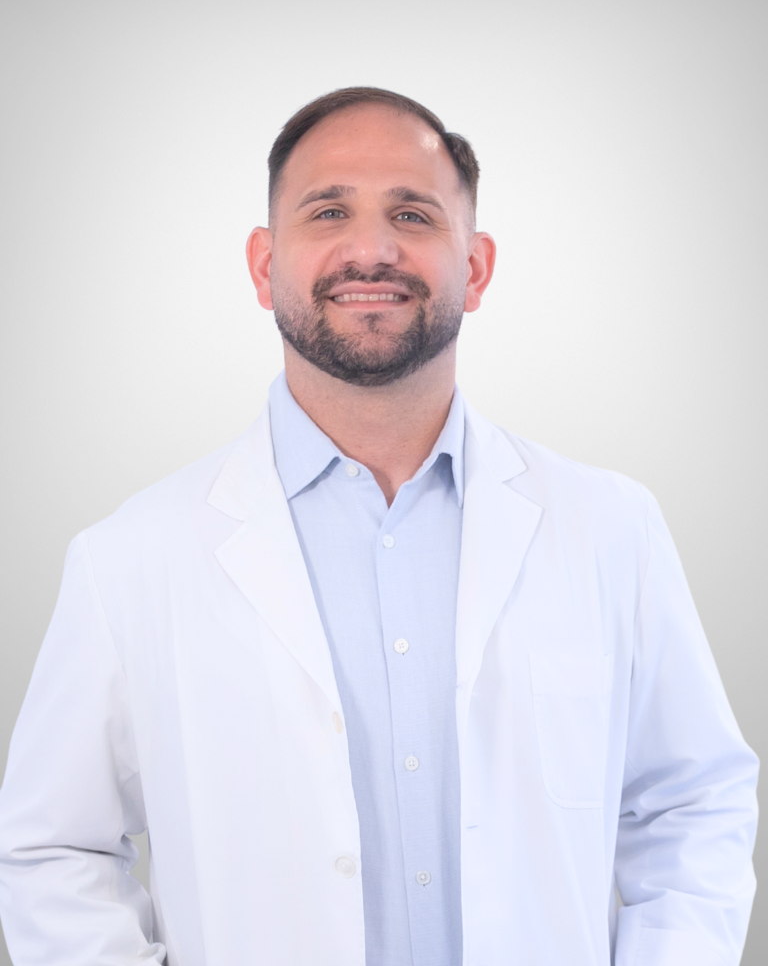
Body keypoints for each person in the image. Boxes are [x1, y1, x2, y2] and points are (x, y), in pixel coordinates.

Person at [0, 87, 758, 966]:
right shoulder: (128, 561)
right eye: (329, 211)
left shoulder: (612, 530)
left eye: (412, 213)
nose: (371, 249)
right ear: (263, 266)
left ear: (475, 268)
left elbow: (693, 806)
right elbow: (53, 851)